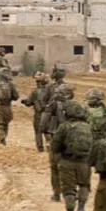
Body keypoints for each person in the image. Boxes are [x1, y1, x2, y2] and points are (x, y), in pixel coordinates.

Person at [51, 100, 93, 211]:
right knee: (84, 185)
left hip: (67, 161)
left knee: (69, 189)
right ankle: (81, 209)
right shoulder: (87, 126)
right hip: (84, 162)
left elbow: (55, 146)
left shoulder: (64, 126)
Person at [44, 74, 76, 203]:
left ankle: (56, 194)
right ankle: (70, 194)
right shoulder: (76, 106)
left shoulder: (53, 105)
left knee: (55, 168)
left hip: (56, 139)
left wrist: (47, 136)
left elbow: (43, 124)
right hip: (71, 141)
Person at [20, 71, 50, 152]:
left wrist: (24, 101)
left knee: (38, 132)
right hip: (48, 114)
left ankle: (40, 148)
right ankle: (49, 146)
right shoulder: (50, 90)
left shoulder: (35, 92)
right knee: (47, 131)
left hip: (39, 114)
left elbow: (28, 103)